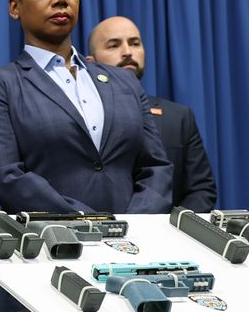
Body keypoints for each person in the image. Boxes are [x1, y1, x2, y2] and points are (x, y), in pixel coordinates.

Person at [0, 0, 172, 214]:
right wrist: (89, 224)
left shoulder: (124, 81)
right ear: (14, 8)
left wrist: (134, 225)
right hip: (54, 244)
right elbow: (4, 177)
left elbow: (156, 167)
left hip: (134, 244)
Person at [89, 15, 218, 213]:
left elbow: (201, 190)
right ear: (91, 62)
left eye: (135, 43)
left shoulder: (179, 117)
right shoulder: (81, 116)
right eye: (114, 45)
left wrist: (172, 229)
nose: (127, 52)